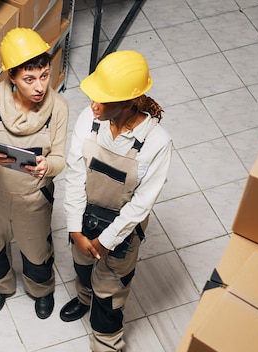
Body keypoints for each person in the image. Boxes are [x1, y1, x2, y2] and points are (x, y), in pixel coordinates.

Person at [59, 50, 172, 351]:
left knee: (110, 296)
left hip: (120, 233)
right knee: (82, 266)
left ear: (127, 102)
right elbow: (74, 174)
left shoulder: (156, 144)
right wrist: (75, 229)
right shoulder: (89, 118)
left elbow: (140, 205)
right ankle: (84, 299)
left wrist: (106, 241)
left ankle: (107, 344)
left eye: (103, 99)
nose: (94, 104)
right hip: (84, 219)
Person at [0, 28, 68, 319]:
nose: (40, 87)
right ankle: (1, 287)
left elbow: (59, 158)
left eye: (45, 75)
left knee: (36, 253)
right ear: (11, 76)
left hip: (32, 198)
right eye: (29, 79)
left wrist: (48, 166)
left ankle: (41, 291)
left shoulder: (58, 108)